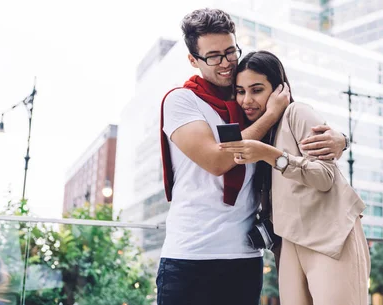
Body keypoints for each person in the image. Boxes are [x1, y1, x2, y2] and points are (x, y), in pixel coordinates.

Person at [157, 8, 348, 305]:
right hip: (190, 256)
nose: (226, 63)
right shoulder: (182, 101)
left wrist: (342, 140)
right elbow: (218, 160)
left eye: (231, 51)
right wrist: (270, 114)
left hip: (245, 257)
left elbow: (302, 134)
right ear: (193, 60)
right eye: (214, 56)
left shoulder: (249, 107)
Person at [219, 50, 370, 305]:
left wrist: (271, 155)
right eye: (241, 91)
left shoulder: (296, 113)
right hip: (289, 242)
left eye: (257, 90)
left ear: (280, 90)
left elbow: (325, 177)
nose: (247, 100)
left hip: (330, 238)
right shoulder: (263, 130)